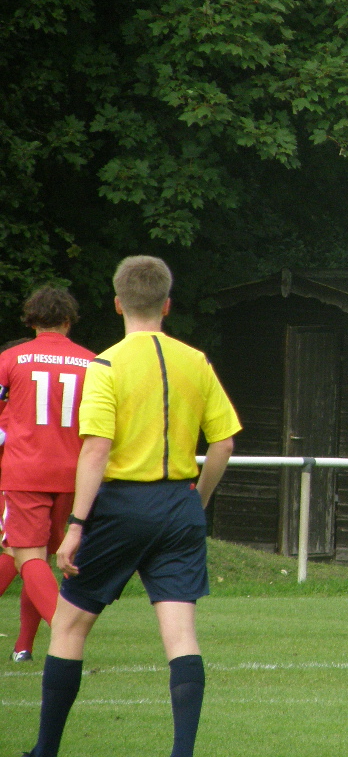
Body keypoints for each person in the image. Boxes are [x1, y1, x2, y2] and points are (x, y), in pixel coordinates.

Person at [23, 256, 241, 757]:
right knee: (181, 633)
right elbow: (224, 443)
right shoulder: (196, 361)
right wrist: (198, 502)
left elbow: (96, 450)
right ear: (167, 305)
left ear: (119, 303)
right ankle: (181, 752)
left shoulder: (106, 365)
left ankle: (44, 750)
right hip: (179, 505)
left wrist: (76, 525)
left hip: (121, 507)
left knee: (71, 623)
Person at [0, 291, 93, 665]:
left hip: (24, 471)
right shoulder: (91, 362)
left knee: (27, 556)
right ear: (69, 321)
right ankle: (24, 646)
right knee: (36, 558)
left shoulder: (10, 359)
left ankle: (64, 631)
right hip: (73, 474)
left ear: (31, 320)